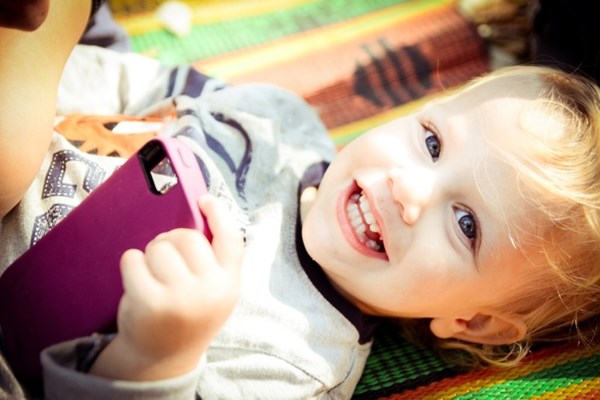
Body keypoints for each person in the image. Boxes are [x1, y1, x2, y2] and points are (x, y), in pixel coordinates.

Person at [1, 1, 600, 399]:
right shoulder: (281, 121)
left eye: (466, 223)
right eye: (432, 142)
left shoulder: (301, 360)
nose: (408, 188)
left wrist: (157, 358)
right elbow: (138, 83)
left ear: (474, 322)